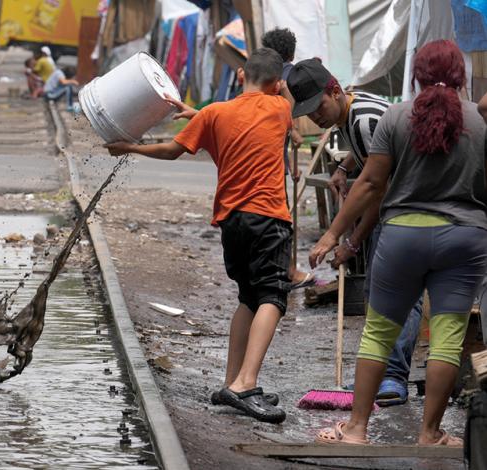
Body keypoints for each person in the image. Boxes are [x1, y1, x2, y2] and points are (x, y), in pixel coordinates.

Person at [309, 40, 486, 447]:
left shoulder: (395, 118)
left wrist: (335, 233)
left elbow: (370, 183)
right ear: (460, 76)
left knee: (377, 333)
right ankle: (430, 433)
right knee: (447, 336)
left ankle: (355, 430)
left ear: (415, 76)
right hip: (465, 239)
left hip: (403, 237)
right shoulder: (480, 123)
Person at [105, 48, 292, 424]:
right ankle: (245, 385)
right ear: (275, 84)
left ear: (240, 75)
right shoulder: (280, 110)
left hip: (231, 220)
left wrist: (129, 147)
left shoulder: (213, 114)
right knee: (272, 296)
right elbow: (282, 100)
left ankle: (231, 382)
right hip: (268, 217)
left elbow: (172, 150)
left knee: (248, 297)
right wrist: (283, 88)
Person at [288, 58, 422, 407]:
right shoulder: (349, 112)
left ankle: (393, 376)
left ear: (334, 90)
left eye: (318, 107)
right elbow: (372, 152)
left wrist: (347, 240)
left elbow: (378, 191)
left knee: (401, 294)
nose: (315, 117)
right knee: (381, 290)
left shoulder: (364, 120)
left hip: (411, 207)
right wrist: (344, 167)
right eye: (307, 111)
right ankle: (382, 371)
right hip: (396, 203)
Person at [262, 27, 313, 290]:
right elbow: (284, 115)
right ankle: (288, 271)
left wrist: (291, 163)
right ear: (291, 53)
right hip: (274, 160)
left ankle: (270, 268)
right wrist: (293, 131)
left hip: (262, 155)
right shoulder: (288, 75)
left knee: (266, 215)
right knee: (281, 217)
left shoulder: (259, 74)